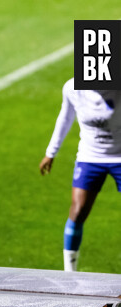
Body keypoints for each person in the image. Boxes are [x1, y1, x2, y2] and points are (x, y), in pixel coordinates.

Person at [40, 79, 121, 271]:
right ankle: (70, 274)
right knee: (77, 211)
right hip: (90, 157)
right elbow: (65, 118)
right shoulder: (71, 88)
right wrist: (51, 152)